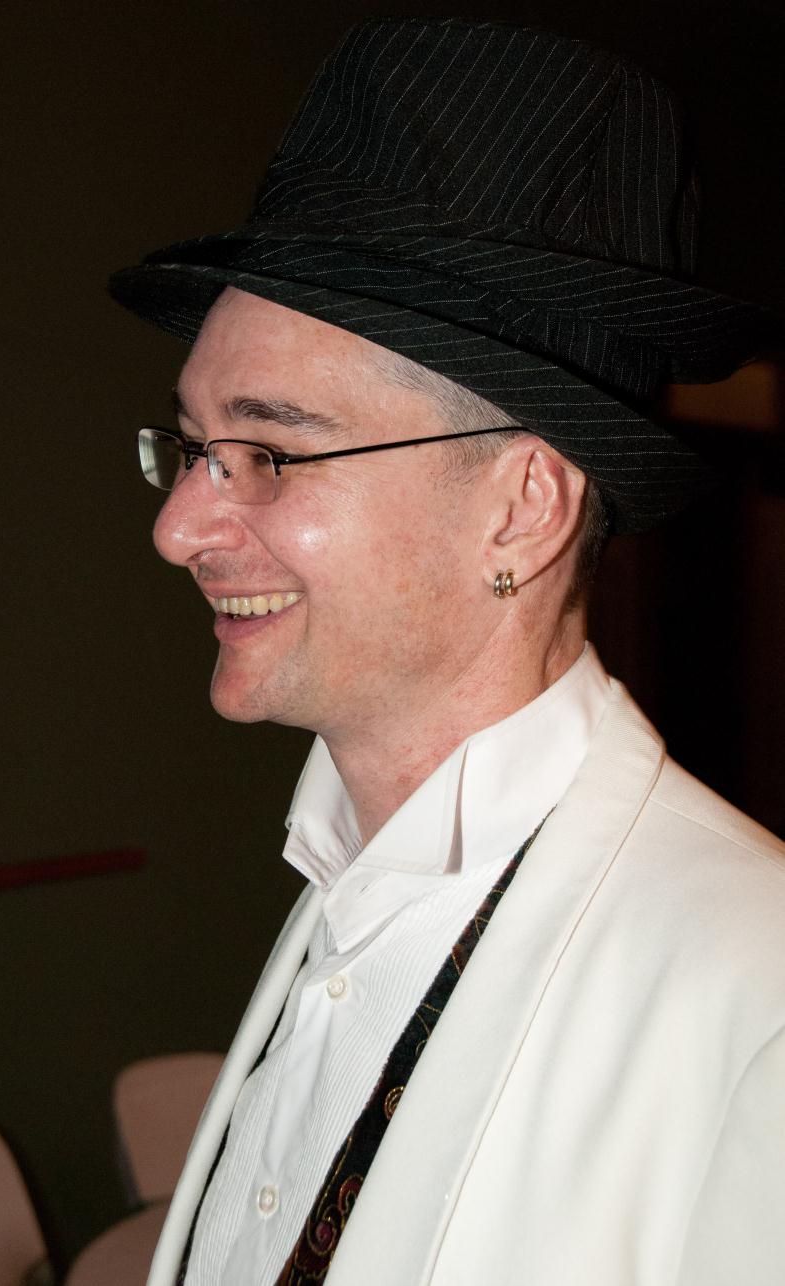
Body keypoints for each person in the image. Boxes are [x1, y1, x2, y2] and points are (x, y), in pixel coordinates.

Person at [109, 19, 785, 1286]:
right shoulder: (344, 884)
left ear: (519, 508)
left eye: (269, 451)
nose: (178, 525)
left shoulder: (753, 997)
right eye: (193, 448)